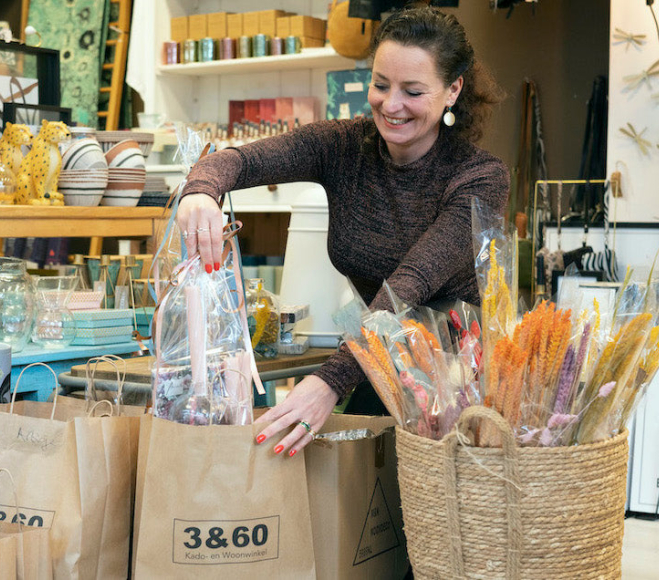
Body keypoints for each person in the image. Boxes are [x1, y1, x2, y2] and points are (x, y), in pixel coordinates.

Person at [176, 6, 509, 455]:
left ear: (452, 90)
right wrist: (201, 190)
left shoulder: (479, 177)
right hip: (379, 359)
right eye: (380, 85)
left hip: (460, 384)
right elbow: (240, 160)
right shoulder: (343, 147)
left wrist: (330, 380)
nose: (391, 105)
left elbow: (409, 287)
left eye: (412, 91)